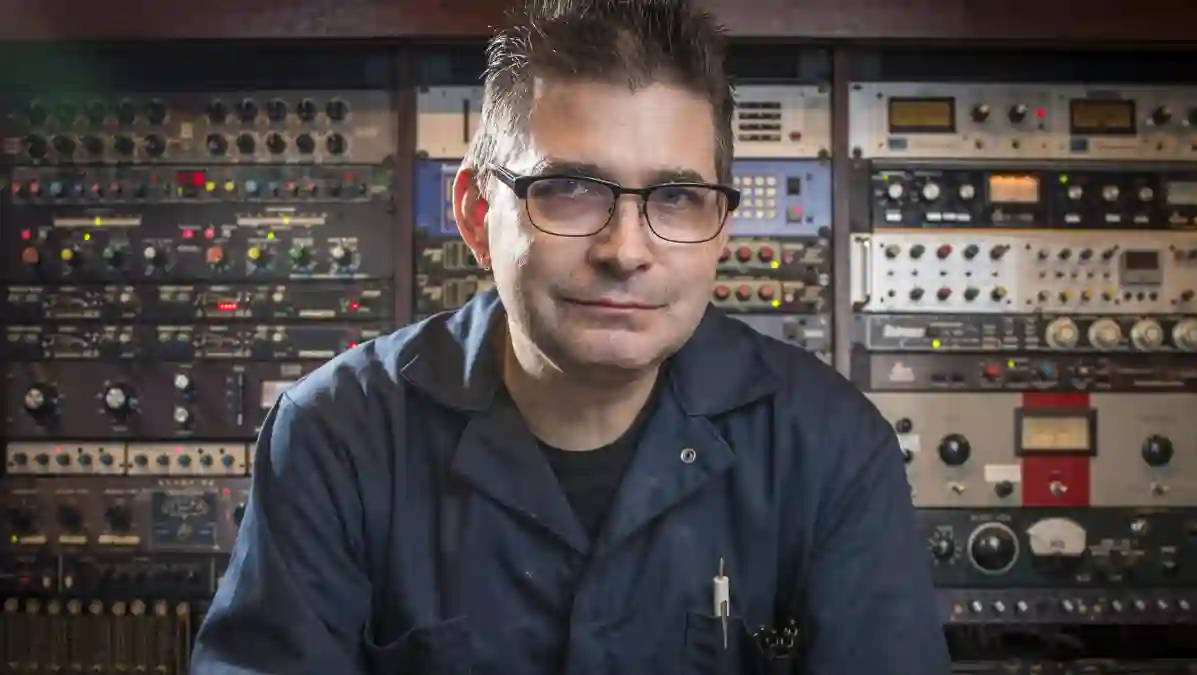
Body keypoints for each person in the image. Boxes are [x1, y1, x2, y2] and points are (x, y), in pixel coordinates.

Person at [190, 0, 951, 672]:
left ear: (723, 226)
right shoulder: (335, 436)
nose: (625, 249)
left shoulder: (832, 447)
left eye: (678, 196)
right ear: (475, 214)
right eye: (569, 190)